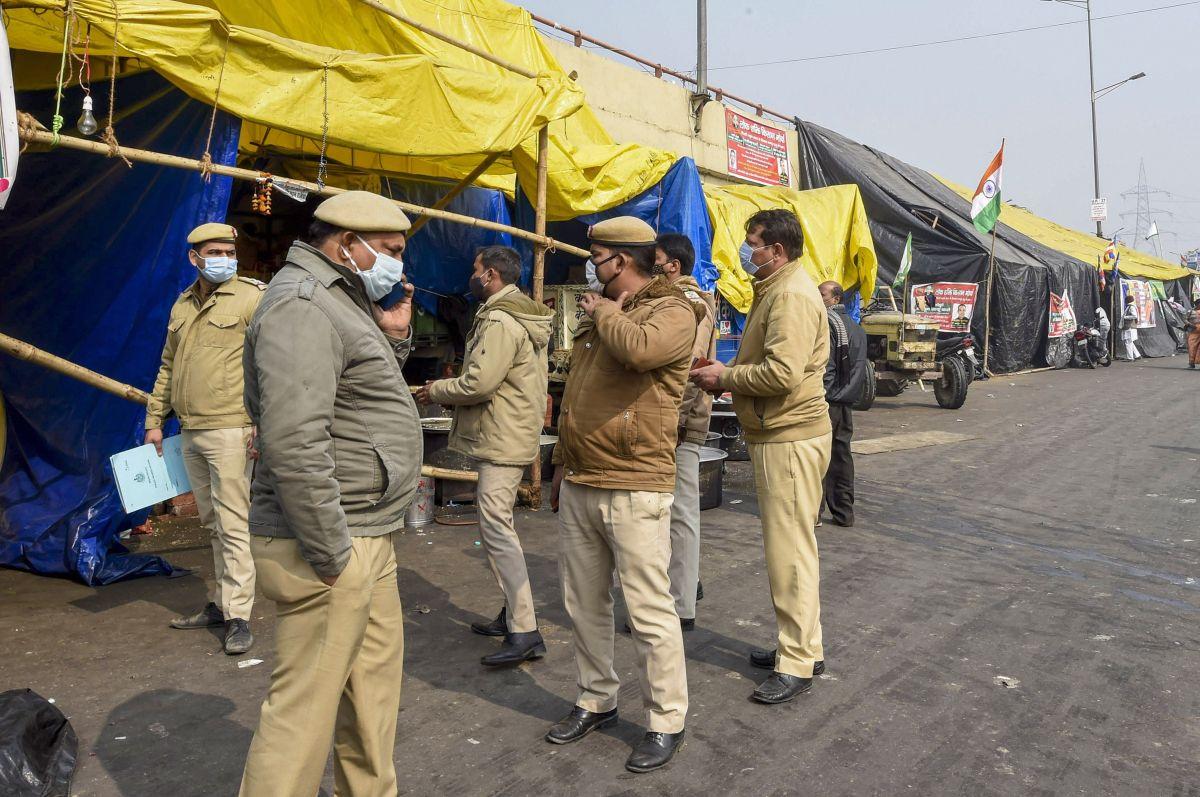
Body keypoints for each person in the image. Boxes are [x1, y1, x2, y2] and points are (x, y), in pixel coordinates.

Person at [238, 191, 420, 797]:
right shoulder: (304, 306)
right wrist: (333, 554)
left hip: (367, 532)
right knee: (302, 722)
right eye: (391, 252)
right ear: (347, 245)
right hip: (328, 541)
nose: (398, 266)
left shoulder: (342, 303)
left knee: (372, 705)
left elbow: (355, 400)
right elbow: (293, 442)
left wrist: (392, 335)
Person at [547, 216, 699, 773]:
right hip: (586, 478)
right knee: (583, 602)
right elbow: (577, 396)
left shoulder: (673, 310)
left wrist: (605, 313)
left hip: (636, 481)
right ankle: (596, 698)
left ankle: (666, 719)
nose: (591, 264)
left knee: (648, 610)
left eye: (597, 255)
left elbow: (639, 352)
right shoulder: (607, 314)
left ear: (624, 260)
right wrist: (561, 465)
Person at [690, 209, 832, 706]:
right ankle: (802, 646)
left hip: (789, 436)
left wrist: (723, 378)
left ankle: (795, 661)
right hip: (786, 432)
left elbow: (781, 375)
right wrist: (728, 368)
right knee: (796, 548)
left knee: (789, 553)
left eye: (753, 243)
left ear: (777, 250)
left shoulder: (790, 295)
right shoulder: (780, 289)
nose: (748, 251)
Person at [416, 245, 553, 666]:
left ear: (490, 275)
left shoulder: (499, 318)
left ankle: (525, 628)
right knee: (497, 524)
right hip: (510, 431)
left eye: (475, 270)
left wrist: (435, 389)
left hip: (502, 436)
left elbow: (478, 383)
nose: (471, 277)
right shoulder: (520, 313)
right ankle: (513, 611)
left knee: (496, 527)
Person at [146, 222, 263, 656]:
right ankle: (221, 603)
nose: (223, 258)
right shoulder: (182, 304)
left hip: (233, 428)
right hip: (191, 430)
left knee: (233, 524)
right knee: (213, 522)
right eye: (214, 251)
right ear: (194, 257)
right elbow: (167, 366)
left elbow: (270, 363)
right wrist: (154, 420)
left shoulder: (252, 297)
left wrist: (262, 425)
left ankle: (238, 616)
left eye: (228, 251)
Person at [654, 232, 717, 631]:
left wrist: (670, 421)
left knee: (680, 513)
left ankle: (680, 607)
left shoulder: (689, 303)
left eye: (656, 259)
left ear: (672, 265)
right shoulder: (683, 300)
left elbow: (689, 373)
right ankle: (685, 584)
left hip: (681, 422)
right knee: (674, 512)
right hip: (677, 420)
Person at [817, 281, 868, 528]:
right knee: (842, 455)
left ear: (835, 299)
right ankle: (844, 512)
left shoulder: (828, 322)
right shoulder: (856, 327)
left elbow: (826, 366)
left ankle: (813, 512)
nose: (818, 298)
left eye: (822, 294)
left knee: (818, 457)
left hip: (829, 401)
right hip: (846, 400)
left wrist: (820, 395)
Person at [1121, 294, 1142, 361]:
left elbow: (1134, 316)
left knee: (1128, 342)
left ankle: (1130, 358)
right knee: (1130, 341)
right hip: (1131, 327)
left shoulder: (1131, 307)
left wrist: (1125, 317)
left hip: (1129, 327)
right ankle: (1137, 355)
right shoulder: (1131, 306)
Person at [1186, 298, 1200, 369]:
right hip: (1193, 331)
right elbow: (1185, 320)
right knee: (1192, 347)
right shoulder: (1191, 312)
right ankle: (1191, 363)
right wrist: (1190, 325)